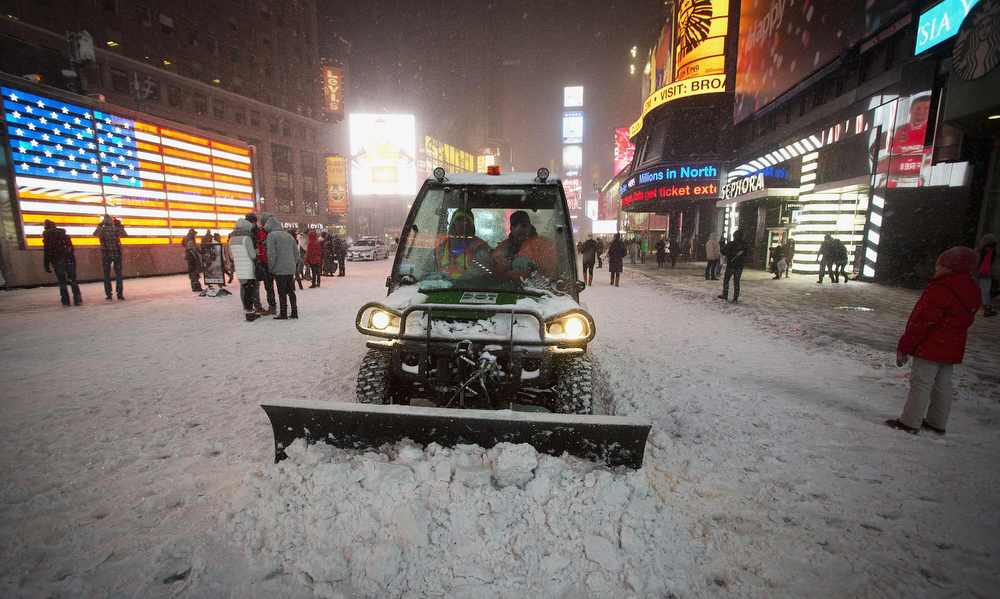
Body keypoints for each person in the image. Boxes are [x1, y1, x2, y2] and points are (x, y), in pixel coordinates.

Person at [886, 247, 981, 435]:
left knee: (921, 383)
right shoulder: (972, 288)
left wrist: (906, 345)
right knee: (943, 385)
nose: (936, 268)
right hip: (952, 346)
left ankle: (910, 421)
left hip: (931, 345)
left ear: (950, 267)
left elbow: (922, 321)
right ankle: (937, 422)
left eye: (940, 265)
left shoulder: (942, 288)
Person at [493, 211, 557, 281]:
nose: (519, 228)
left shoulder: (544, 244)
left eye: (524, 225)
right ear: (511, 228)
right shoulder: (503, 247)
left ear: (530, 226)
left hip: (538, 288)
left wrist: (533, 268)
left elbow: (551, 270)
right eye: (515, 225)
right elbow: (494, 271)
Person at [436, 209, 491, 279]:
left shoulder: (479, 247)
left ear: (471, 225)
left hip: (469, 288)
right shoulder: (442, 245)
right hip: (440, 287)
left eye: (466, 220)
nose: (463, 223)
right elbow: (428, 269)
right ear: (453, 223)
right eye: (459, 220)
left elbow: (481, 276)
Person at [265, 217, 299, 319]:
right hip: (290, 268)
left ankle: (283, 313)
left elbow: (271, 254)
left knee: (281, 292)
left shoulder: (271, 236)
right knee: (291, 291)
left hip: (279, 269)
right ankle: (294, 312)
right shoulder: (288, 236)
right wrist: (293, 264)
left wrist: (271, 267)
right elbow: (296, 254)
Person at [42, 219, 82, 306]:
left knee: (62, 281)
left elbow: (47, 252)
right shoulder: (64, 235)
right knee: (73, 280)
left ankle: (65, 300)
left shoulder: (47, 238)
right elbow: (71, 248)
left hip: (57, 261)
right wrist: (71, 258)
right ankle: (77, 298)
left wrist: (46, 264)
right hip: (69, 259)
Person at [229, 218, 262, 321]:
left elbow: (232, 256)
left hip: (239, 268)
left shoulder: (231, 239)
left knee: (245, 289)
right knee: (250, 291)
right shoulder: (246, 239)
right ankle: (250, 313)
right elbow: (252, 255)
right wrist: (257, 253)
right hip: (248, 268)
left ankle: (248, 311)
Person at [93, 215, 127, 300]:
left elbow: (95, 234)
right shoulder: (116, 229)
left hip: (106, 255)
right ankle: (120, 294)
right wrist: (120, 226)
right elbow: (124, 235)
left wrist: (99, 225)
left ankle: (109, 294)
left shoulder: (102, 230)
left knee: (106, 275)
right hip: (117, 254)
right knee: (118, 274)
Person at [249, 213, 277, 314]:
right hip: (265, 261)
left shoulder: (262, 232)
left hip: (264, 262)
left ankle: (271, 306)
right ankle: (271, 306)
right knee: (268, 286)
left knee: (267, 286)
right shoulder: (266, 232)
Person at [718, 228, 748, 303]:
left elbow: (723, 252)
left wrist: (722, 245)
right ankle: (735, 297)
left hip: (731, 265)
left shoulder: (731, 244)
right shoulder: (744, 245)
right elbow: (746, 255)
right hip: (739, 266)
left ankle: (725, 294)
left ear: (734, 236)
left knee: (726, 280)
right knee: (736, 281)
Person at [976, 234, 996, 317]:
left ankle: (985, 308)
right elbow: (986, 264)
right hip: (985, 273)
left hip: (980, 273)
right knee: (985, 292)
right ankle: (987, 309)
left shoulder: (981, 250)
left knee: (981, 291)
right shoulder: (990, 251)